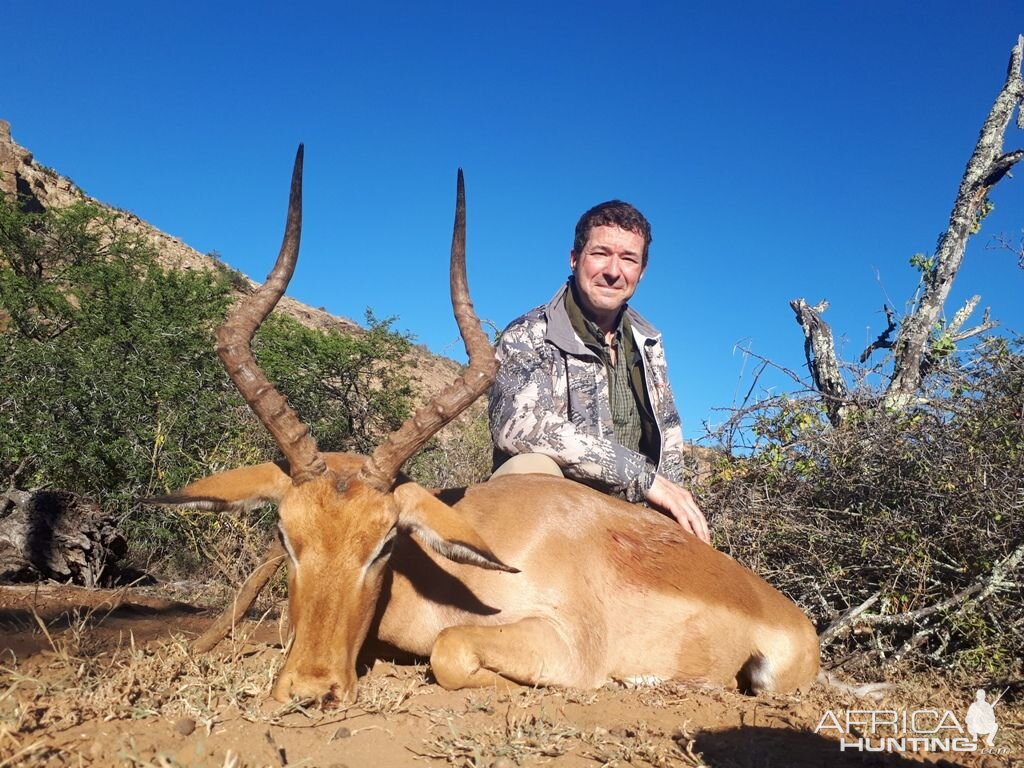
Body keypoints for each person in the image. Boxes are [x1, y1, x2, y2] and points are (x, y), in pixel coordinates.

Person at [488, 200, 710, 544]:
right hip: (560, 522)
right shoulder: (528, 334)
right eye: (601, 253)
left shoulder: (649, 342)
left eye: (628, 259)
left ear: (642, 271)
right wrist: (643, 477)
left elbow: (669, 436)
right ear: (574, 258)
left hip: (631, 514)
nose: (613, 271)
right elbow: (517, 427)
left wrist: (674, 503)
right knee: (527, 471)